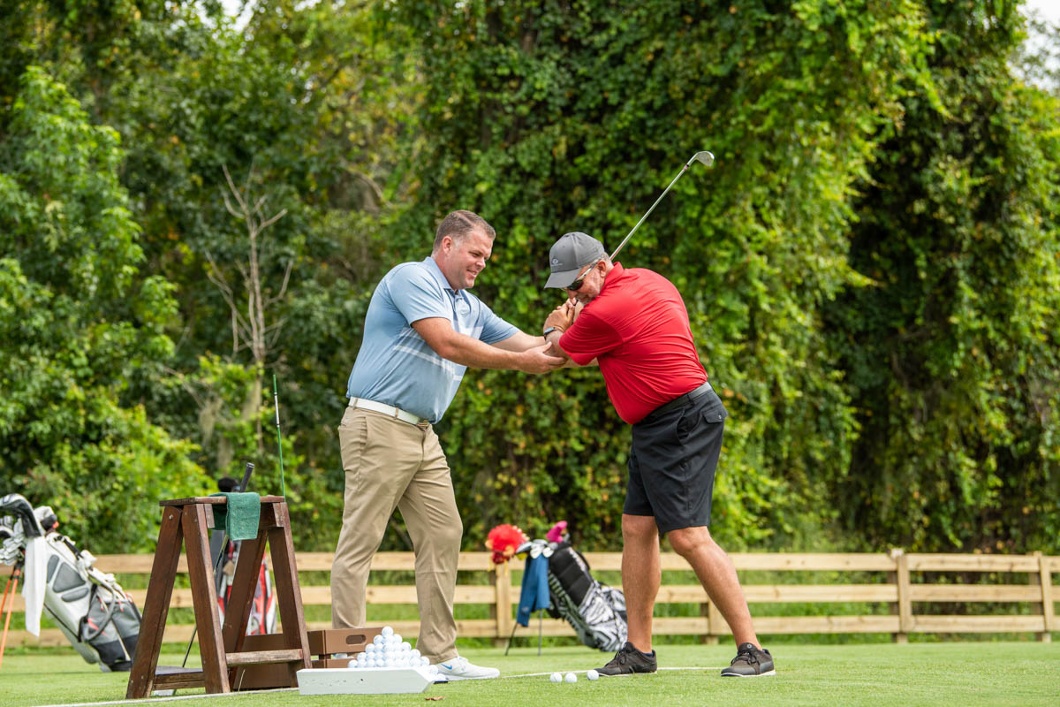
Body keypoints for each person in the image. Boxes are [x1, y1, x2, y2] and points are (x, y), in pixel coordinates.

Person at [331, 210, 564, 681]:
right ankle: (347, 655)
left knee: (444, 533)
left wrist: (564, 331)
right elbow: (448, 345)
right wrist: (525, 363)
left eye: (486, 257)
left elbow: (533, 348)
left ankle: (439, 654)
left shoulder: (470, 307)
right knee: (362, 538)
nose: (482, 263)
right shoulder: (411, 278)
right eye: (476, 253)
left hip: (423, 434)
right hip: (376, 424)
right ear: (447, 246)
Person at [540, 231, 775, 678]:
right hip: (657, 423)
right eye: (565, 290)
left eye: (576, 284)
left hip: (680, 418)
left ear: (604, 266)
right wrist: (580, 315)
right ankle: (639, 650)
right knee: (637, 527)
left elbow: (564, 356)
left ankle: (754, 650)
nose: (572, 294)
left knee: (687, 536)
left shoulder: (606, 311)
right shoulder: (651, 280)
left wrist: (557, 323)